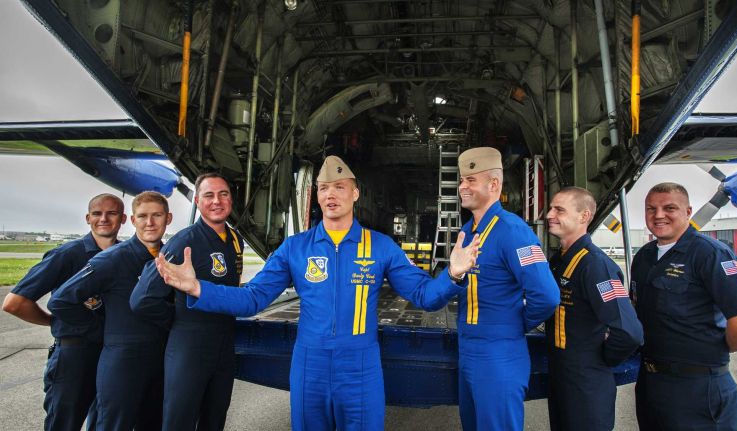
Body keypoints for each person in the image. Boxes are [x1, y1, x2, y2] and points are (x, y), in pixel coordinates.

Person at [153, 155, 480, 431]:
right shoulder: (295, 248)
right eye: (324, 188)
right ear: (318, 196)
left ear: (355, 193)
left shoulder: (381, 247)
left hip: (360, 365)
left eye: (339, 187)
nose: (330, 195)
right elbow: (253, 298)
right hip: (310, 365)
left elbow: (424, 295)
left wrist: (452, 274)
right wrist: (197, 287)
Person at [633, 182, 737, 430]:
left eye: (669, 208)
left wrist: (709, 349)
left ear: (688, 212)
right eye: (651, 209)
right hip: (652, 384)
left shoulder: (711, 254)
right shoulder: (644, 257)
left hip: (697, 387)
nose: (659, 215)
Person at [453, 147, 560, 431]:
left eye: (471, 180)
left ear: (494, 184)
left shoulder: (513, 231)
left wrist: (514, 323)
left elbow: (547, 295)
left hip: (499, 355)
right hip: (468, 351)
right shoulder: (467, 232)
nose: (463, 186)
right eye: (462, 180)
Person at [49, 191, 173, 430]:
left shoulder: (171, 257)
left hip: (161, 359)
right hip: (123, 362)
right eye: (143, 216)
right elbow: (61, 301)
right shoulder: (113, 259)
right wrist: (99, 329)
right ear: (133, 220)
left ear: (168, 218)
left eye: (157, 215)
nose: (150, 223)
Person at [1, 193, 125, 431]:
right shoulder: (67, 255)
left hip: (112, 354)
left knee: (105, 424)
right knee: (64, 423)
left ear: (123, 219)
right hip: (74, 356)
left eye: (112, 213)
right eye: (97, 213)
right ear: (88, 218)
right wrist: (53, 321)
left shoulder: (126, 255)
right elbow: (14, 303)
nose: (104, 219)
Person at [129, 173, 243, 431]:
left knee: (215, 419)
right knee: (180, 420)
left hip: (224, 345)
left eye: (223, 194)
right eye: (209, 195)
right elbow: (142, 299)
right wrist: (178, 320)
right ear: (198, 201)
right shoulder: (184, 241)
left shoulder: (235, 239)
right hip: (190, 348)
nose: (217, 201)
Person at [545, 187, 643, 431]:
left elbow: (629, 331)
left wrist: (598, 361)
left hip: (587, 381)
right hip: (561, 376)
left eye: (559, 210)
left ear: (584, 216)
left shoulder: (596, 266)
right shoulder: (558, 261)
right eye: (550, 208)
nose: (549, 215)